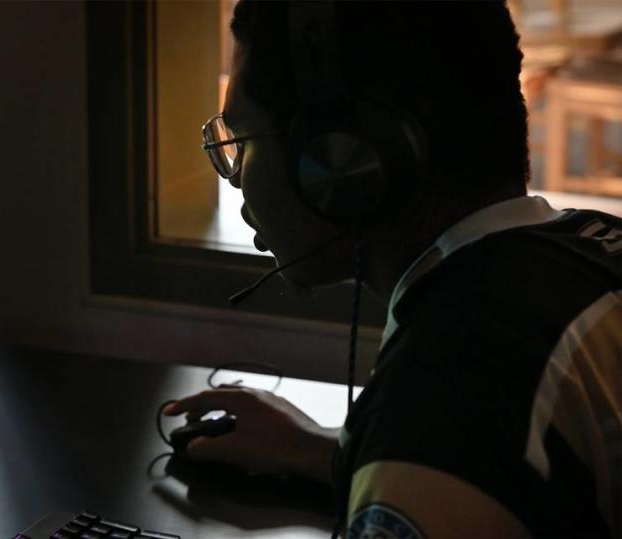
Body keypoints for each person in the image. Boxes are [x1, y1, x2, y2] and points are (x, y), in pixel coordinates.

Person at [165, 1, 622, 537]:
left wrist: (404, 456)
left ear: (341, 162)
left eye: (241, 141)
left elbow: (452, 446)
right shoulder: (589, 248)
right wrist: (324, 450)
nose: (237, 178)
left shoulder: (441, 397)